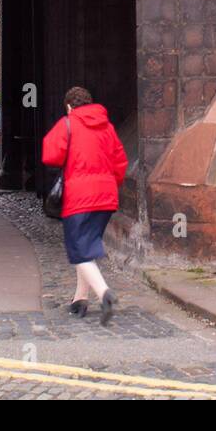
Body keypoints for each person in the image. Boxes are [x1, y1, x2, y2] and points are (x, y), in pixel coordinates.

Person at [41, 86, 128, 326]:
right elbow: (120, 162)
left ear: (69, 106)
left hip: (79, 197)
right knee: (87, 247)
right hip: (106, 196)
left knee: (79, 249)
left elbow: (50, 156)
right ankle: (80, 299)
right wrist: (109, 184)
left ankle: (104, 294)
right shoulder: (107, 127)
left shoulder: (68, 123)